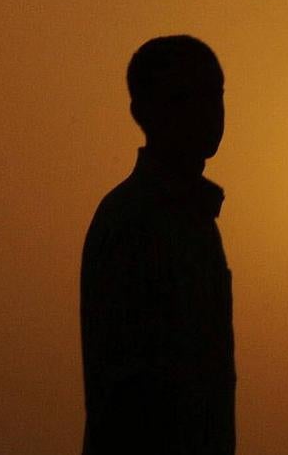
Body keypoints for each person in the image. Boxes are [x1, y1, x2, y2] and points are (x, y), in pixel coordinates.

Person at [80, 36, 234, 455]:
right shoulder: (134, 221)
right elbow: (129, 391)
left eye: (213, 93)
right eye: (182, 97)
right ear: (142, 113)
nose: (204, 110)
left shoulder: (193, 218)